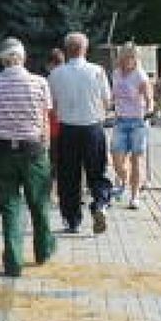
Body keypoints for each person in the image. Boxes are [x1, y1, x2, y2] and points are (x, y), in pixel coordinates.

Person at [0, 38, 55, 276]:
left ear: (2, 60)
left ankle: (13, 262)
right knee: (39, 203)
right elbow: (45, 120)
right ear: (23, 57)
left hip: (2, 150)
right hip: (32, 150)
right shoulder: (40, 83)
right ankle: (43, 250)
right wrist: (45, 146)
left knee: (10, 208)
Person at [48, 32, 113, 235]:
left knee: (68, 177)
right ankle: (100, 203)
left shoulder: (56, 74)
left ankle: (72, 219)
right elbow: (107, 101)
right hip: (93, 126)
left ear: (66, 50)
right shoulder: (98, 71)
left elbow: (52, 105)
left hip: (67, 129)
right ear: (85, 49)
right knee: (97, 171)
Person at [110, 43, 153, 209]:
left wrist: (149, 109)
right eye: (126, 57)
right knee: (116, 159)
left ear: (136, 59)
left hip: (137, 121)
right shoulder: (116, 73)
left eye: (132, 57)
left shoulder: (140, 75)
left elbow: (149, 97)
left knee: (136, 159)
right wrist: (108, 105)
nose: (128, 60)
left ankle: (134, 197)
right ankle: (123, 177)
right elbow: (113, 95)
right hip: (120, 120)